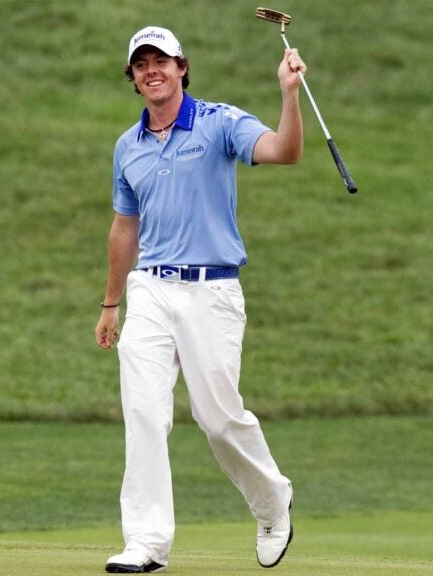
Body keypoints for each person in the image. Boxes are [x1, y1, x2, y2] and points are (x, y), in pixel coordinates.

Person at [94, 25, 305, 573]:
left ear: (182, 66)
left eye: (160, 60)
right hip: (150, 289)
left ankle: (271, 499)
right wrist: (111, 303)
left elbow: (284, 152)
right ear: (133, 78)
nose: (151, 71)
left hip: (212, 290)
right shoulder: (128, 145)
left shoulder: (219, 122)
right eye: (141, 64)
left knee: (217, 417)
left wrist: (288, 94)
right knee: (142, 412)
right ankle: (146, 542)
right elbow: (124, 228)